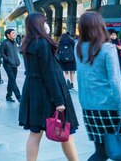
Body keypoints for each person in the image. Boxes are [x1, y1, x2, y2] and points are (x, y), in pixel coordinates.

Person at [75, 11, 121, 161]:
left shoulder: (77, 47)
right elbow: (116, 81)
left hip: (89, 107)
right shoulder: (108, 48)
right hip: (110, 107)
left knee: (101, 152)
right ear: (100, 26)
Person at [18, 12, 78, 161]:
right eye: (45, 21)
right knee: (66, 130)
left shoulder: (28, 42)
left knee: (35, 132)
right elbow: (49, 74)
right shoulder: (42, 43)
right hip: (48, 94)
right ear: (39, 24)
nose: (47, 25)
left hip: (33, 92)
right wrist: (59, 101)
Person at [0, 28, 21, 102]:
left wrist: (17, 61)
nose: (14, 34)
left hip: (15, 65)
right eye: (12, 33)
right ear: (8, 35)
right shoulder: (4, 43)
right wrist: (8, 59)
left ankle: (8, 96)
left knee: (11, 80)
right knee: (12, 80)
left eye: (14, 33)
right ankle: (19, 97)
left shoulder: (14, 43)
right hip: (8, 65)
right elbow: (1, 53)